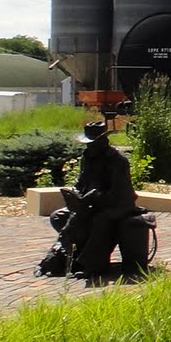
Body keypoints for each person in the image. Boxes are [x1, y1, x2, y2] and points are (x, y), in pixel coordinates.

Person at [59, 120, 137, 280]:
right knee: (59, 217)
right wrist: (75, 194)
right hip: (91, 202)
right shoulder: (87, 158)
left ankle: (92, 265)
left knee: (99, 220)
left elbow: (118, 193)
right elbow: (80, 182)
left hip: (118, 204)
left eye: (92, 143)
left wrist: (93, 199)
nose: (89, 147)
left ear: (103, 141)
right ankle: (68, 258)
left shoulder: (118, 161)